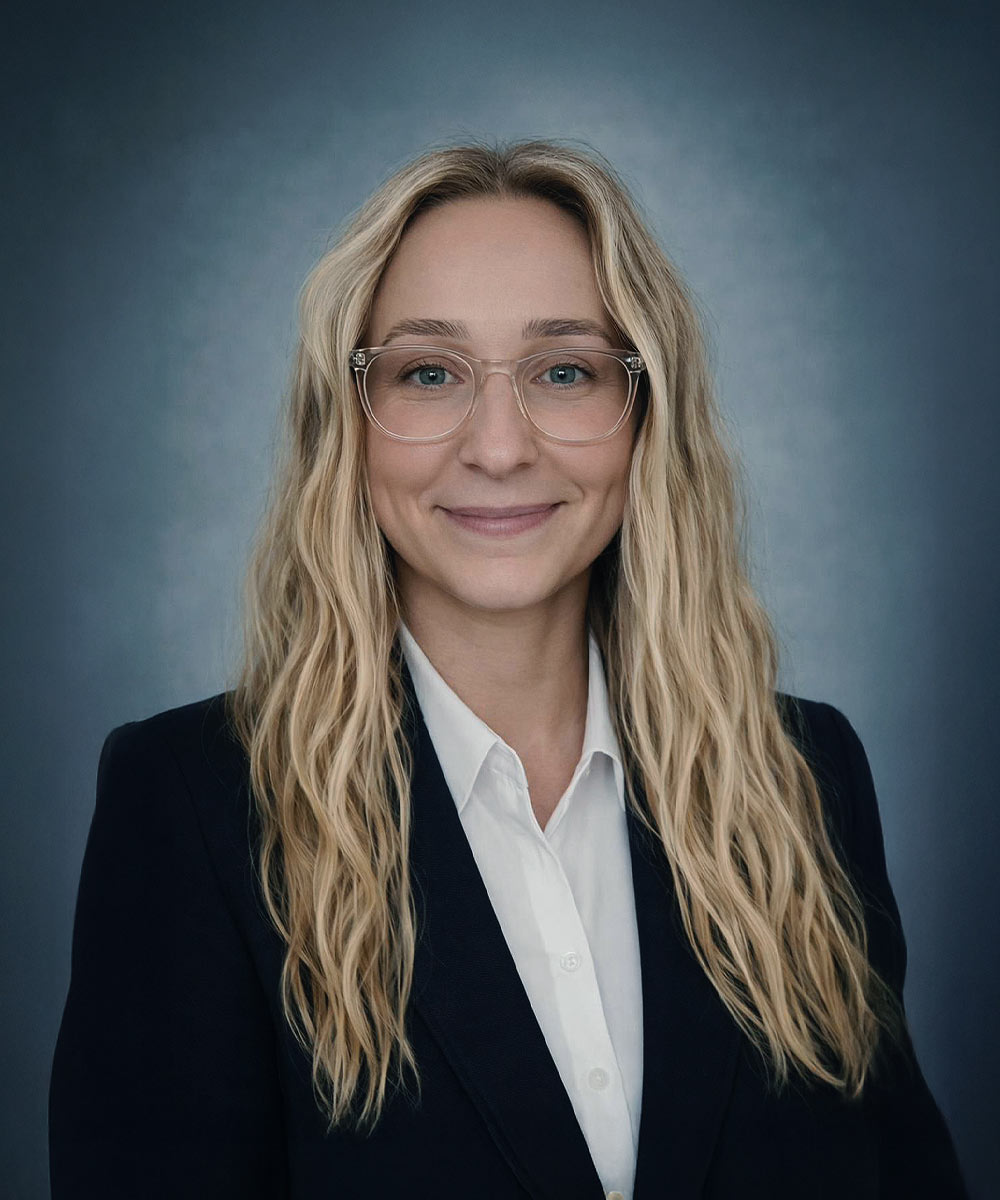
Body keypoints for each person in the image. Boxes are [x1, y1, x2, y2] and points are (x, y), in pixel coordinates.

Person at [49, 139, 968, 1199]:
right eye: (427, 372)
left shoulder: (803, 778)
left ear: (644, 415)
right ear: (348, 423)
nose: (497, 445)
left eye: (564, 370)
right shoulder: (194, 806)